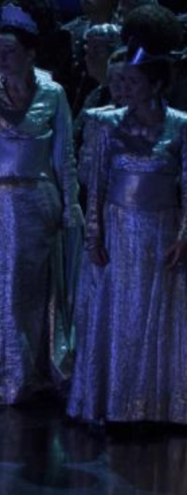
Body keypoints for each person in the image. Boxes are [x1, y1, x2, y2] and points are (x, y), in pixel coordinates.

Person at [0, 0, 79, 404]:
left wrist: (70, 207)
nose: (0, 58)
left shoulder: (53, 94)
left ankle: (32, 371)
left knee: (31, 290)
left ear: (30, 53)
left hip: (36, 203)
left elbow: (64, 156)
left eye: (9, 51)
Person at [68, 45, 187, 426]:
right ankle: (114, 402)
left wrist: (183, 236)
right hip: (118, 231)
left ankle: (154, 405)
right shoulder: (108, 124)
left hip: (160, 232)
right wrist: (94, 236)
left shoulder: (180, 125)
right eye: (124, 81)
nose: (125, 88)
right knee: (118, 314)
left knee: (157, 317)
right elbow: (97, 186)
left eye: (134, 82)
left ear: (156, 85)